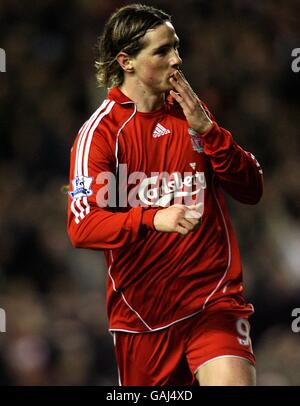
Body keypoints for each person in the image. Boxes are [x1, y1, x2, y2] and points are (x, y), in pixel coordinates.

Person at [67, 4, 263, 386]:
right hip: (143, 320)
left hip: (214, 303)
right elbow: (82, 225)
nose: (177, 59)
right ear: (126, 61)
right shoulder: (101, 135)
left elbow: (252, 189)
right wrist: (152, 217)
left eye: (176, 46)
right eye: (162, 51)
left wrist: (209, 131)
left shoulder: (191, 114)